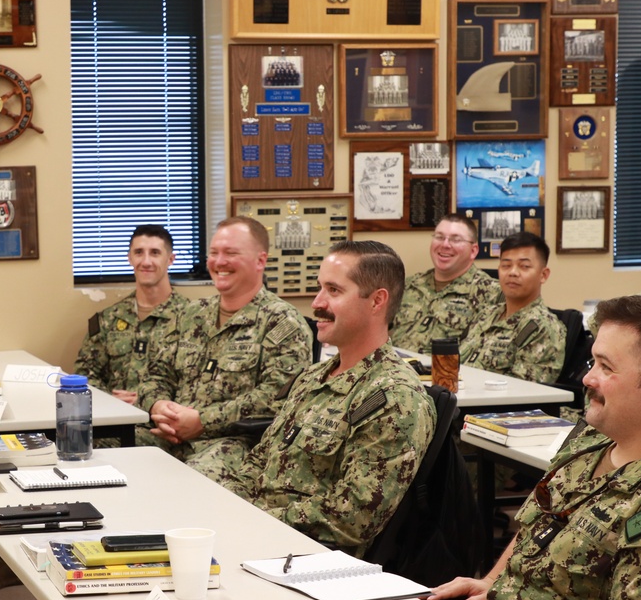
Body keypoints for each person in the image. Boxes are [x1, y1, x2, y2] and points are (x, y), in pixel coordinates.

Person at [429, 294, 641, 600]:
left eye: (606, 367)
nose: (587, 378)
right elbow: (538, 524)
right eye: (592, 361)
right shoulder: (591, 439)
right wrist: (491, 583)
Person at [222, 241, 435, 557]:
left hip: (308, 554)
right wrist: (227, 506)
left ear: (377, 301)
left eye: (333, 291)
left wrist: (257, 520)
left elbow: (354, 518)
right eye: (320, 288)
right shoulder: (314, 377)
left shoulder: (394, 398)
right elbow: (260, 460)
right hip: (260, 534)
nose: (317, 303)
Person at [137, 216, 312, 482]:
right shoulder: (190, 314)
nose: (219, 262)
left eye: (231, 253)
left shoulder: (282, 323)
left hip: (235, 442)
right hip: (170, 435)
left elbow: (276, 399)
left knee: (189, 482)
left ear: (260, 260)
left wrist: (202, 421)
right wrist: (159, 407)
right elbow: (156, 375)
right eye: (214, 253)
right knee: (105, 451)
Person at [74, 224, 188, 404]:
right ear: (130, 258)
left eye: (155, 253)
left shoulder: (191, 319)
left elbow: (198, 382)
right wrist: (108, 399)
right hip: (116, 420)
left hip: (165, 422)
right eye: (139, 252)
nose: (146, 261)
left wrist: (149, 403)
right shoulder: (108, 319)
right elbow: (85, 374)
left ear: (171, 259)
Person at [459, 231, 565, 383]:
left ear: (543, 275)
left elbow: (522, 392)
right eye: (506, 265)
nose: (513, 273)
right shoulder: (486, 314)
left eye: (524, 266)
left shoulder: (542, 327)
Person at [390, 214, 501, 353]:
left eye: (455, 239)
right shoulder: (408, 286)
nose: (445, 245)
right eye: (439, 237)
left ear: (473, 251)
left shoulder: (492, 295)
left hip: (450, 373)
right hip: (398, 371)